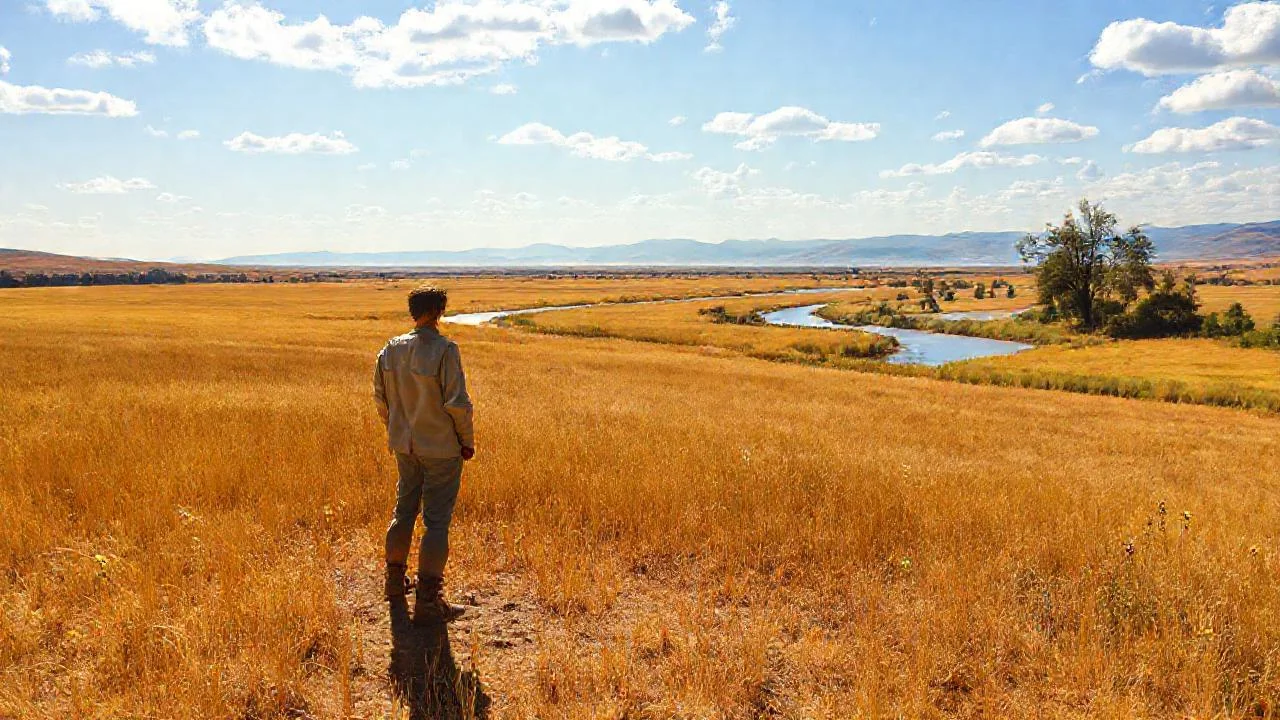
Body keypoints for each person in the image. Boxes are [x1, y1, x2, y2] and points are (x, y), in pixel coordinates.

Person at [374, 285, 475, 623]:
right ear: (440, 311)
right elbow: (457, 404)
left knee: (403, 510)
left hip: (404, 445)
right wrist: (466, 440)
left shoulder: (390, 350)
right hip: (441, 448)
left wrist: (397, 430)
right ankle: (429, 601)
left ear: (412, 312)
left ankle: (393, 582)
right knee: (436, 521)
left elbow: (380, 400)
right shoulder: (446, 350)